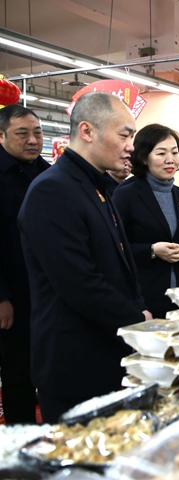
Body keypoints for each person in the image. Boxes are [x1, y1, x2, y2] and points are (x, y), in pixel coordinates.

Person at [18, 92, 151, 423]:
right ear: (88, 131)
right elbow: (78, 281)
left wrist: (138, 309)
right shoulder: (53, 189)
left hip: (106, 351)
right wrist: (136, 318)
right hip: (75, 361)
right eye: (124, 135)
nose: (131, 147)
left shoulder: (95, 185)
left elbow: (118, 262)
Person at [113, 124, 179, 318]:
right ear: (144, 157)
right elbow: (115, 247)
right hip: (144, 297)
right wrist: (152, 250)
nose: (170, 159)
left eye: (174, 152)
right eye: (161, 153)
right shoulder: (126, 195)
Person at [0, 105, 48, 424]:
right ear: (1, 135)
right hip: (12, 294)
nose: (32, 140)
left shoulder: (47, 172)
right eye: (22, 134)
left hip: (45, 291)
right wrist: (1, 297)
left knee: (46, 364)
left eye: (37, 133)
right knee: (17, 370)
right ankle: (20, 437)